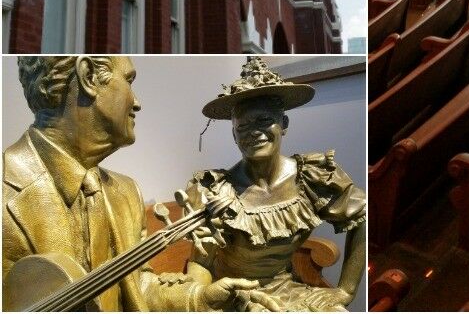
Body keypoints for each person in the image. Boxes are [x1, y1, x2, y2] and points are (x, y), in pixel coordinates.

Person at [3, 55, 279, 312]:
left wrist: (201, 297)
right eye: (129, 80)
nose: (137, 102)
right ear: (88, 76)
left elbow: (138, 289)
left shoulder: (125, 192)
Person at [184, 58, 366, 312]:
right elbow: (201, 263)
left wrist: (346, 289)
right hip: (231, 295)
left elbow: (361, 215)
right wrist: (196, 297)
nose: (253, 132)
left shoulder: (312, 178)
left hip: (287, 290)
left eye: (263, 120)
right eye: (243, 126)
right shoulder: (214, 190)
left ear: (284, 125)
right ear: (234, 135)